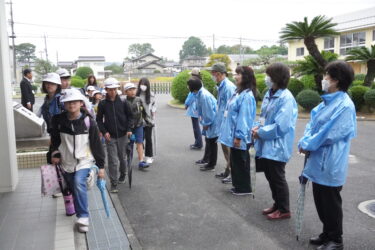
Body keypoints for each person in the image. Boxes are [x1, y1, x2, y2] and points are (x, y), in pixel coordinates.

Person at [298, 61, 356, 250]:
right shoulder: (327, 100)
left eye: (326, 76)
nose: (323, 79)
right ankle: (326, 233)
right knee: (321, 201)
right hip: (317, 160)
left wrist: (307, 144)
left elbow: (329, 134)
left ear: (336, 80)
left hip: (331, 162)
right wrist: (304, 141)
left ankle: (336, 239)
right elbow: (312, 124)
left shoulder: (345, 105)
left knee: (331, 203)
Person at [48, 88, 105, 233]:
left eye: (74, 101)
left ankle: (83, 217)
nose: (71, 104)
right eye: (68, 102)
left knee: (79, 183)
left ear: (81, 103)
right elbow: (54, 140)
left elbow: (96, 144)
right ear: (64, 104)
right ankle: (79, 206)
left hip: (84, 161)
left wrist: (101, 166)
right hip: (66, 162)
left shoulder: (88, 121)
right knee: (72, 187)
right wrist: (54, 153)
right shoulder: (58, 121)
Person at [252, 62, 297, 220]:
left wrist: (260, 132)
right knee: (271, 176)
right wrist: (256, 128)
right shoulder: (270, 93)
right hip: (266, 143)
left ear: (277, 77)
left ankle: (284, 209)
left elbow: (281, 126)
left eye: (269, 75)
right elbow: (263, 117)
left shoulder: (286, 98)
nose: (266, 78)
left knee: (277, 178)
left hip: (278, 145)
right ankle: (277, 204)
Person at [219, 66, 257, 195]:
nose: (235, 76)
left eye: (238, 74)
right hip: (233, 134)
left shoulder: (247, 96)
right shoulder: (238, 92)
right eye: (235, 74)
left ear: (246, 77)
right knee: (235, 161)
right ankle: (238, 185)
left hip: (239, 136)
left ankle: (244, 188)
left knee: (241, 162)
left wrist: (239, 136)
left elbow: (244, 118)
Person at [96, 77, 133, 193]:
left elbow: (130, 117)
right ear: (106, 89)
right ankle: (114, 182)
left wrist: (129, 129)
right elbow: (99, 120)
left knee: (122, 157)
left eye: (114, 89)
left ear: (117, 89)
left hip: (123, 135)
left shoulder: (123, 102)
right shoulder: (102, 104)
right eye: (110, 89)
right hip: (110, 136)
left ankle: (123, 173)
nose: (112, 91)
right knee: (112, 160)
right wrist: (104, 131)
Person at [208, 63, 236, 183]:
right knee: (225, 149)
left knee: (229, 149)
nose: (212, 76)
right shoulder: (222, 85)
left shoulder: (228, 87)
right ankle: (227, 170)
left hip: (227, 124)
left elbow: (231, 107)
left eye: (213, 74)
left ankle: (232, 173)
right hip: (222, 122)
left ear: (218, 74)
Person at [189, 76, 219, 172]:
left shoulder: (204, 96)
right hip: (209, 121)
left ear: (193, 87)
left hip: (212, 122)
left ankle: (211, 164)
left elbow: (209, 112)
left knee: (212, 142)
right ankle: (206, 159)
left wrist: (206, 123)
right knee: (208, 140)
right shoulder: (199, 93)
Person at [124, 83, 153, 169]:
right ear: (125, 92)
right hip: (128, 127)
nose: (132, 91)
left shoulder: (139, 100)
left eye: (134, 89)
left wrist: (148, 121)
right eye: (130, 90)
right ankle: (128, 161)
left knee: (139, 143)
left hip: (139, 124)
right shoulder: (123, 101)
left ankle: (141, 161)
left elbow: (143, 112)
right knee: (129, 144)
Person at [136, 78, 156, 164]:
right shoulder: (137, 95)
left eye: (144, 84)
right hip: (139, 120)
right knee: (140, 139)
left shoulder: (151, 95)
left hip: (148, 120)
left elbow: (154, 106)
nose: (143, 86)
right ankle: (141, 152)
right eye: (141, 84)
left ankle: (149, 156)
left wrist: (154, 113)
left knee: (148, 138)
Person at [185, 67, 203, 150]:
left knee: (196, 126)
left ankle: (198, 143)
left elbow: (191, 95)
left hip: (194, 108)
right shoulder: (200, 82)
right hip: (197, 106)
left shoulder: (194, 83)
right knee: (196, 126)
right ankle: (197, 142)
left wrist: (186, 104)